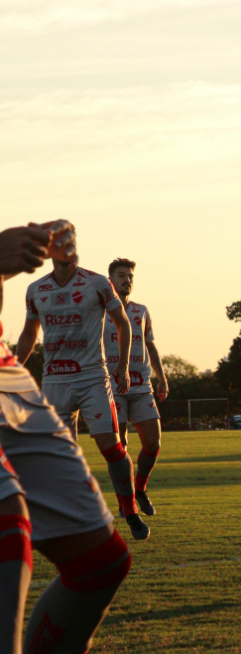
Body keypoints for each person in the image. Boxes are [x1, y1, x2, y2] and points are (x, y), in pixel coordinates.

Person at [0, 221, 132, 654]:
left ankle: (132, 506)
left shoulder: (94, 284)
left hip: (7, 374)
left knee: (100, 561)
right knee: (7, 519)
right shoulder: (39, 291)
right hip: (45, 378)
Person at [17, 250, 151, 540]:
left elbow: (122, 323)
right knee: (61, 456)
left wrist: (122, 366)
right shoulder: (36, 289)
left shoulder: (97, 283)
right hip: (55, 382)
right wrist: (11, 370)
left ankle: (129, 511)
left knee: (111, 447)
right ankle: (72, 518)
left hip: (93, 378)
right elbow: (29, 334)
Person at [105, 258, 168, 516]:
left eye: (130, 276)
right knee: (120, 450)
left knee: (153, 444)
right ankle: (125, 503)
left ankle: (140, 489)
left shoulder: (141, 311)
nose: (127, 280)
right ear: (110, 280)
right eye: (121, 275)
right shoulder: (99, 311)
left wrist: (161, 376)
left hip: (142, 386)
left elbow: (150, 345)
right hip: (112, 388)